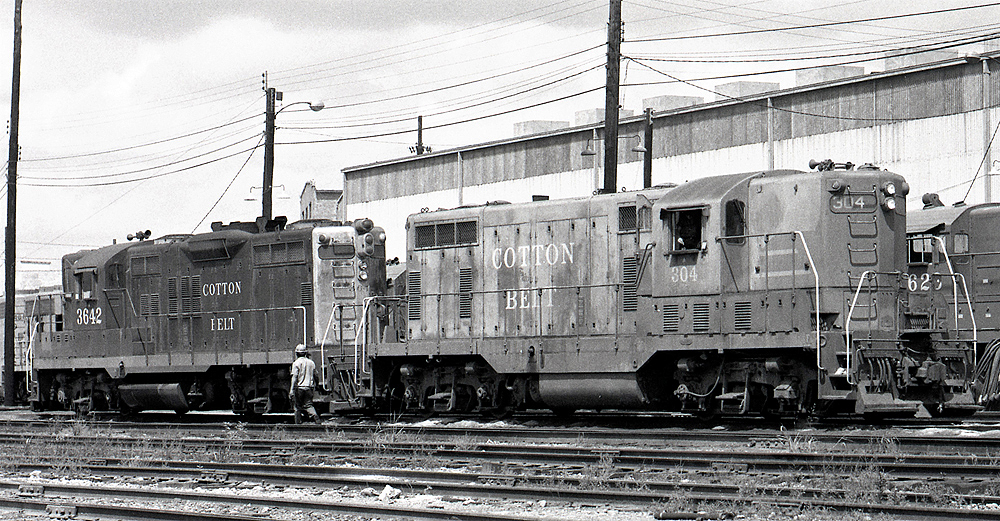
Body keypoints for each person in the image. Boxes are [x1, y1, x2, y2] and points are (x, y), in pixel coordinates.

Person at [289, 344, 321, 424]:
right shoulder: (311, 363)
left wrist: (291, 390)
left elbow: (294, 377)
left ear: (296, 353)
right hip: (309, 388)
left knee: (297, 407)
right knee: (309, 405)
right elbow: (316, 375)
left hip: (299, 388)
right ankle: (315, 416)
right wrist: (317, 385)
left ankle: (298, 423)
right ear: (306, 353)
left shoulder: (296, 363)